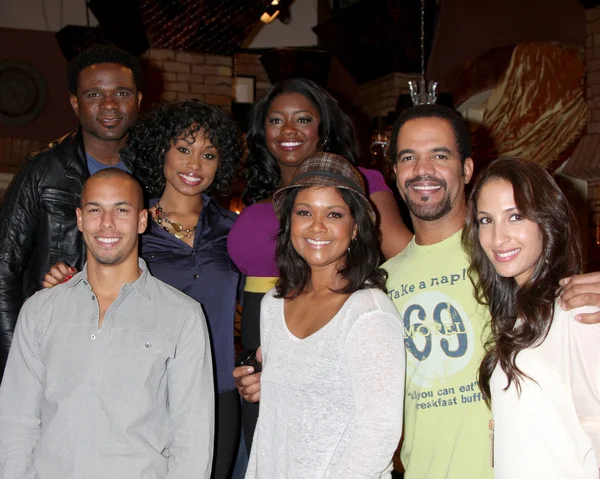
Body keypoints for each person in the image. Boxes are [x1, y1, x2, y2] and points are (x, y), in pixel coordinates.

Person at [43, 99, 243, 479]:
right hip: (137, 391)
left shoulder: (234, 232)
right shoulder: (125, 223)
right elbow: (91, 286)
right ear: (162, 151)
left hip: (218, 391)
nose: (194, 165)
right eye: (183, 149)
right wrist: (65, 279)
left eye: (209, 154)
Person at [228, 77, 412, 449]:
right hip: (260, 345)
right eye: (276, 120)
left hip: (330, 339)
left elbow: (408, 257)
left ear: (323, 127)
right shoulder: (255, 195)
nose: (289, 129)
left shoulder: (360, 183)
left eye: (303, 119)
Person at [0, 169, 214, 478]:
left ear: (142, 220)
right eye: (95, 210)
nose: (107, 223)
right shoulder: (39, 312)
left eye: (121, 210)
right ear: (79, 218)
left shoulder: (183, 316)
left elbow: (192, 441)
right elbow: (16, 424)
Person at [244, 152, 405, 478]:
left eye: (333, 214)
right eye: (304, 212)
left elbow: (378, 433)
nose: (317, 226)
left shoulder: (368, 313)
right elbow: (272, 422)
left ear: (356, 227)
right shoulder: (273, 304)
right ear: (290, 222)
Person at [0, 44, 143, 380]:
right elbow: (4, 268)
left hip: (133, 345)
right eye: (94, 94)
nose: (109, 104)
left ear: (138, 100)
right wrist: (15, 362)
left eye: (121, 92)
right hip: (55, 346)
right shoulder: (43, 170)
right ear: (76, 103)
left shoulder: (153, 170)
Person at [462, 157, 600, 478]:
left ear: (547, 221)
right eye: (486, 220)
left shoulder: (575, 310)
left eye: (516, 216)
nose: (498, 238)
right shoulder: (516, 319)